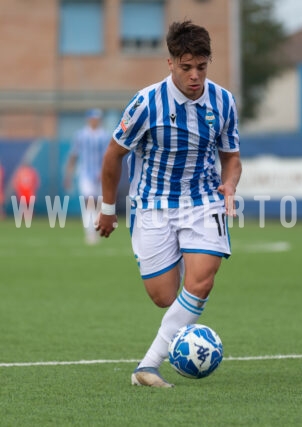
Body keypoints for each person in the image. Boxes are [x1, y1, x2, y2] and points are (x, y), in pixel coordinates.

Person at [96, 20, 242, 388]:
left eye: (202, 67)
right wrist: (108, 209)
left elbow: (232, 157)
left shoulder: (223, 101)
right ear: (171, 63)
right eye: (187, 66)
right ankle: (178, 258)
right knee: (163, 297)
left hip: (203, 201)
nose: (195, 76)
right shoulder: (146, 103)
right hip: (153, 206)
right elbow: (114, 156)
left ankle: (148, 366)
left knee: (202, 282)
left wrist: (229, 185)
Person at [64, 108, 111, 245]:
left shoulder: (104, 136)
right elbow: (74, 155)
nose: (95, 121)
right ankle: (90, 232)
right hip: (85, 173)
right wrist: (69, 175)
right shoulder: (81, 135)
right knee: (88, 201)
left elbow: (108, 157)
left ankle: (96, 228)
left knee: (99, 203)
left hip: (101, 174)